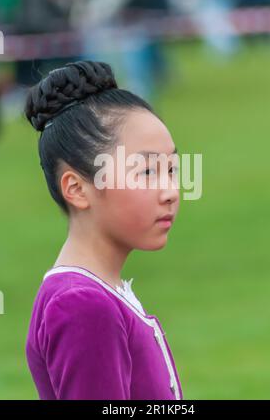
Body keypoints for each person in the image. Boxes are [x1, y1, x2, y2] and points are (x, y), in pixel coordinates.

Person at [24, 60, 183, 400]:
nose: (170, 190)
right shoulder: (82, 304)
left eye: (172, 169)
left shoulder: (98, 293)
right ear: (78, 189)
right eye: (147, 171)